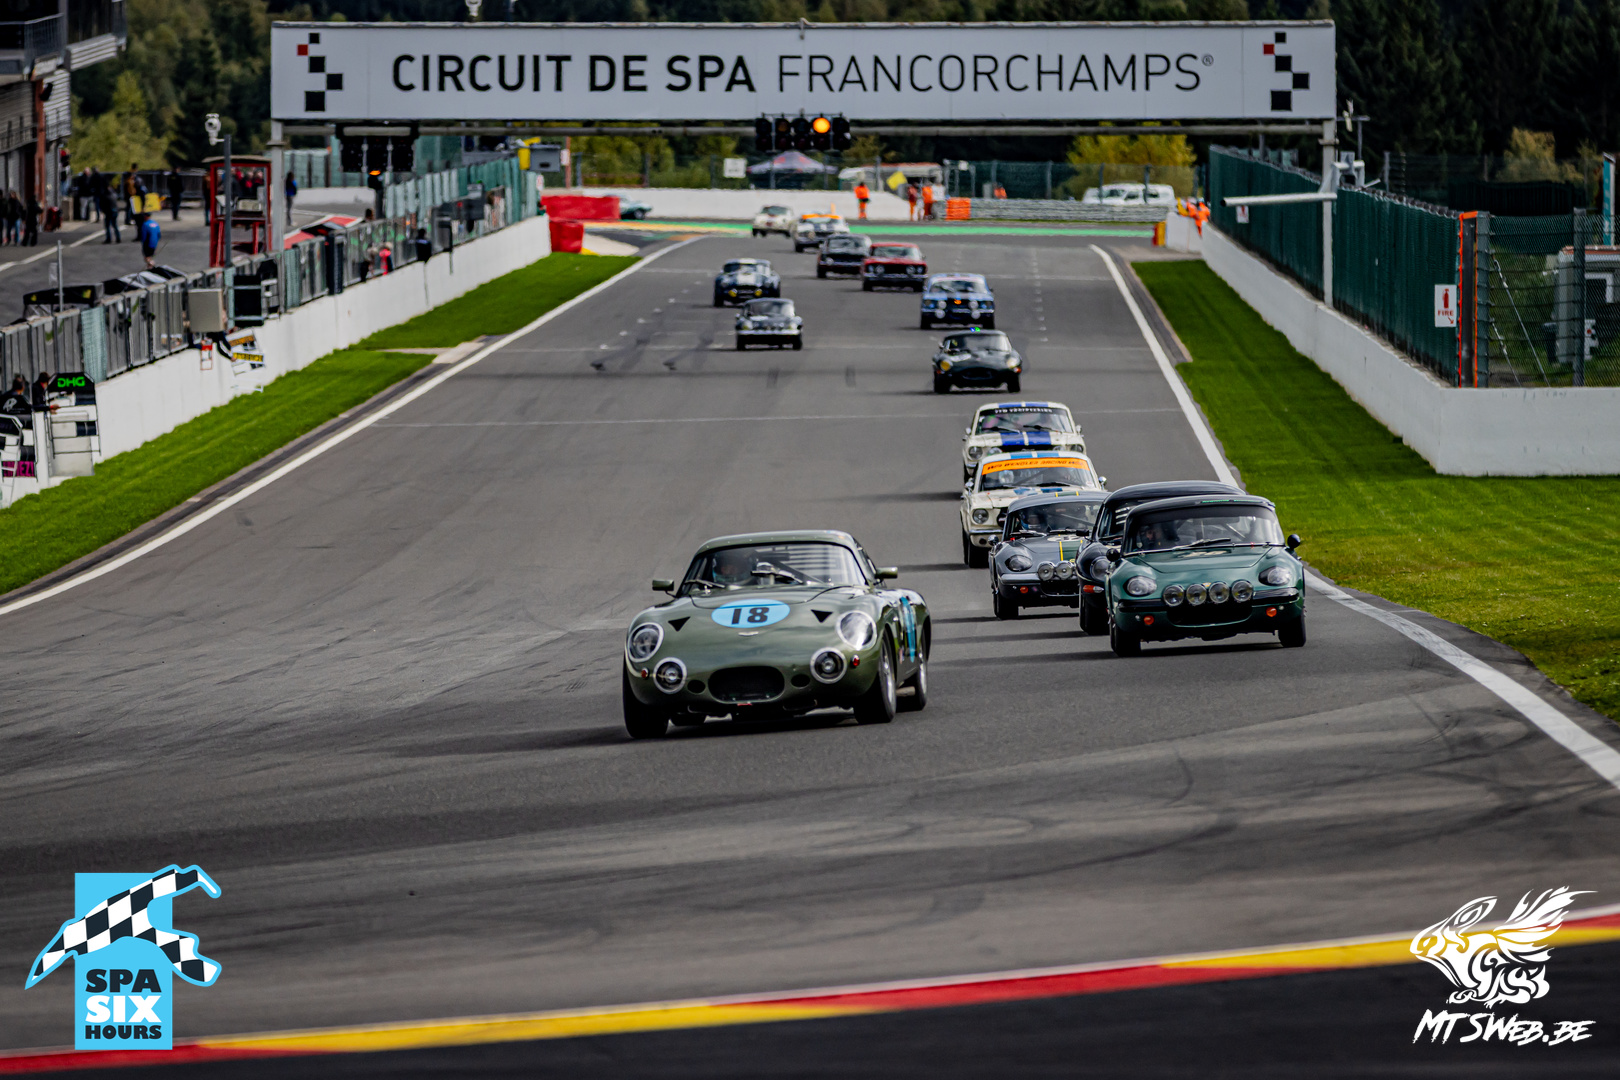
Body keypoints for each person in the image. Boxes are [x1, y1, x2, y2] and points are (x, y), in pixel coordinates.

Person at [98, 178, 120, 243]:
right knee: (115, 225)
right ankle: (118, 238)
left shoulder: (104, 194)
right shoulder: (114, 193)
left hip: (109, 211)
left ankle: (109, 239)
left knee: (107, 226)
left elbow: (102, 204)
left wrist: (103, 210)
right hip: (115, 210)